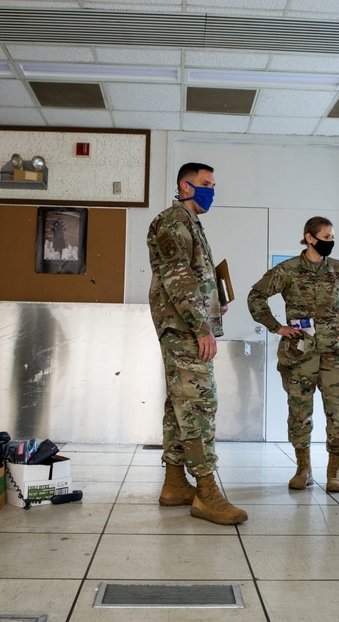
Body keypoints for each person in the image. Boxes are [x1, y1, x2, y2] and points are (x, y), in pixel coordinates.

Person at [146, 162, 247, 525]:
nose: (211, 191)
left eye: (214, 184)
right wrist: (201, 326)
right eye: (205, 184)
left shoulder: (190, 224)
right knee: (200, 403)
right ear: (184, 186)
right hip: (184, 328)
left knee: (180, 403)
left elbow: (194, 278)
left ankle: (175, 483)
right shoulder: (173, 222)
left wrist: (214, 303)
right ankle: (206, 491)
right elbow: (177, 279)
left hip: (186, 324)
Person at [247, 217, 339, 493]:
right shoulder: (288, 270)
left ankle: (335, 472)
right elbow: (256, 295)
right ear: (310, 238)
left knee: (337, 413)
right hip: (300, 354)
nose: (330, 241)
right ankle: (303, 469)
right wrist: (276, 326)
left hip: (335, 353)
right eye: (326, 236)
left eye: (332, 236)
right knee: (299, 412)